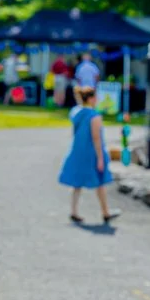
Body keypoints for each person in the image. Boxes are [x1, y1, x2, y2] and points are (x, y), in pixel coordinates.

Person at [59, 87, 118, 223]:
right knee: (100, 182)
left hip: (77, 151)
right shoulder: (94, 116)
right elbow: (96, 138)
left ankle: (73, 210)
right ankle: (105, 212)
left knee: (77, 183)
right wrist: (100, 158)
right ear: (91, 98)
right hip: (91, 153)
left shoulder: (76, 112)